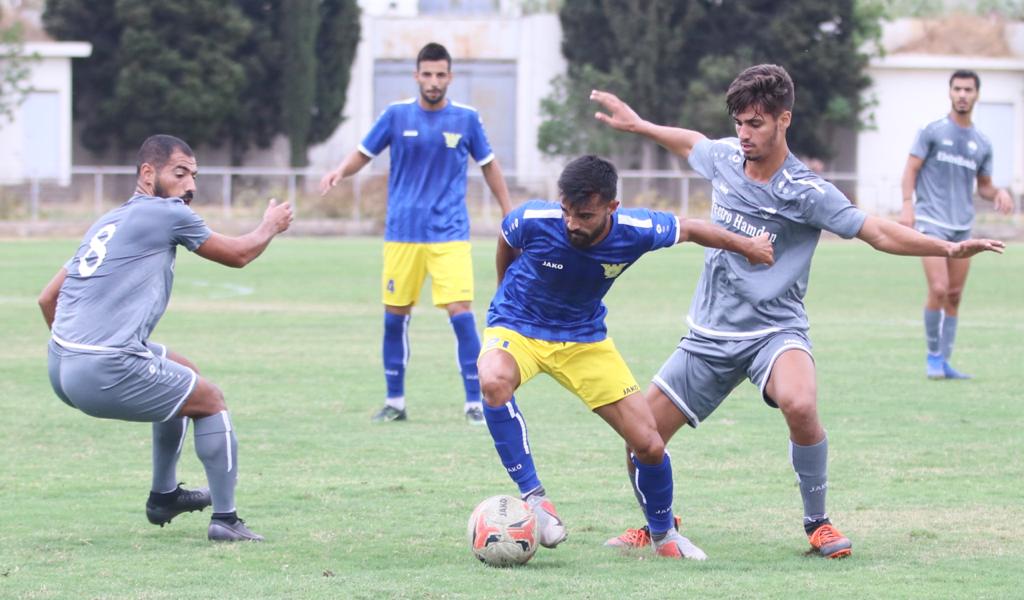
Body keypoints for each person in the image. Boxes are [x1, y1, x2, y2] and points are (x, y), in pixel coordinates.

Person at [590, 64, 1005, 559]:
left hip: (775, 331)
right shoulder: (725, 158)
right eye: (739, 122)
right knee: (639, 435)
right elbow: (690, 142)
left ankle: (819, 523)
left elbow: (877, 231)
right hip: (709, 334)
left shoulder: (807, 191)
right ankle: (658, 522)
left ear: (784, 119)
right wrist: (639, 125)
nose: (743, 134)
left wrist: (949, 249)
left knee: (801, 403)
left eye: (756, 124)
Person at [477, 155, 775, 559]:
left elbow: (691, 229)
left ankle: (664, 535)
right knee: (493, 379)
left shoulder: (636, 230)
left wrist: (750, 247)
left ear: (611, 208)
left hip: (584, 340)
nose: (571, 223)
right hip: (517, 326)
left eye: (584, 215)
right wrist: (501, 295)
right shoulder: (531, 219)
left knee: (648, 444)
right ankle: (534, 499)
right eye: (566, 211)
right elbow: (506, 241)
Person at [38, 134, 293, 542]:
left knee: (183, 372)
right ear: (147, 173)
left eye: (194, 175)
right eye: (179, 173)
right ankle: (226, 521)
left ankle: (165, 496)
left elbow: (47, 297)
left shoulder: (109, 220)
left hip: (60, 365)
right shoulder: (167, 213)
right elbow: (239, 254)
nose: (190, 185)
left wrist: (78, 352)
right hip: (101, 367)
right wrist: (270, 225)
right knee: (210, 400)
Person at [319, 42, 512, 425]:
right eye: (427, 74)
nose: (434, 81)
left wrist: (508, 212)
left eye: (441, 75)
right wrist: (340, 170)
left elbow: (490, 166)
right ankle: (395, 401)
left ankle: (475, 402)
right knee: (395, 317)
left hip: (450, 235)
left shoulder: (467, 119)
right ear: (417, 76)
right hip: (402, 234)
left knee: (461, 315)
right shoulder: (395, 115)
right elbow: (364, 152)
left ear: (450, 77)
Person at [899, 69, 1014, 380]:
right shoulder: (932, 131)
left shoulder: (982, 142)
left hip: (962, 226)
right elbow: (910, 169)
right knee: (937, 288)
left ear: (976, 95)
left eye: (968, 90)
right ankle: (932, 358)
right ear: (950, 93)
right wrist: (908, 205)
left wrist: (999, 193)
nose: (963, 95)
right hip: (931, 222)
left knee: (954, 294)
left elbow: (985, 186)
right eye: (958, 89)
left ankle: (945, 361)